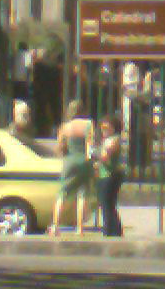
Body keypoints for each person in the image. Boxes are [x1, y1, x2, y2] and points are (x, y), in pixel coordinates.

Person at [52, 98, 96, 237]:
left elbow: (59, 147)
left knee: (63, 194)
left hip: (69, 161)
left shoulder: (65, 127)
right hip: (84, 160)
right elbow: (90, 144)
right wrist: (91, 161)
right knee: (82, 194)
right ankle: (80, 228)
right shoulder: (89, 124)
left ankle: (55, 226)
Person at [96, 114, 125, 239]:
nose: (104, 131)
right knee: (107, 203)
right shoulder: (107, 140)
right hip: (105, 174)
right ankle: (115, 229)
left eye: (107, 128)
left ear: (114, 128)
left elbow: (105, 156)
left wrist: (93, 153)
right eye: (102, 129)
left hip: (110, 175)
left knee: (107, 203)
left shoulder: (114, 140)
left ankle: (109, 230)